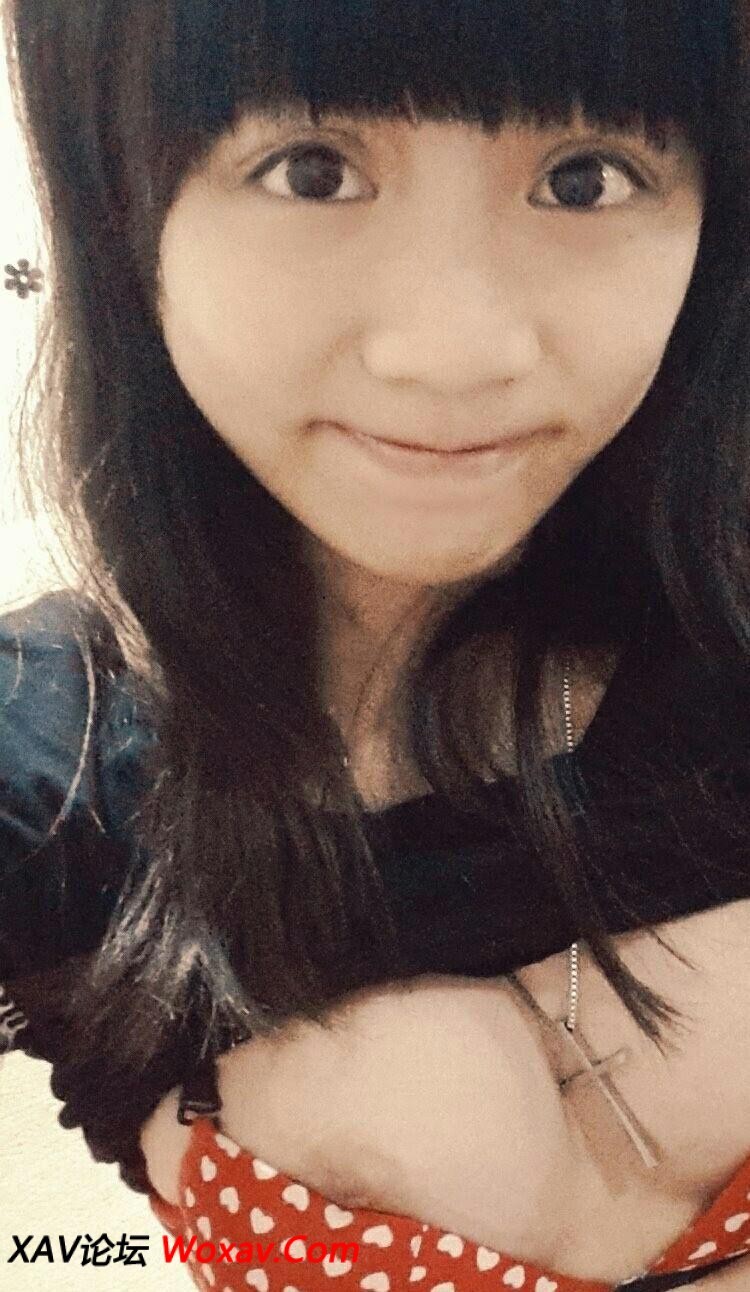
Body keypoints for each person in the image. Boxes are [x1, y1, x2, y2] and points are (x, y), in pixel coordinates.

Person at [1, 0, 750, 1288]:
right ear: (119, 198)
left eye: (586, 177)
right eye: (311, 169)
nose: (456, 355)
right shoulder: (52, 761)